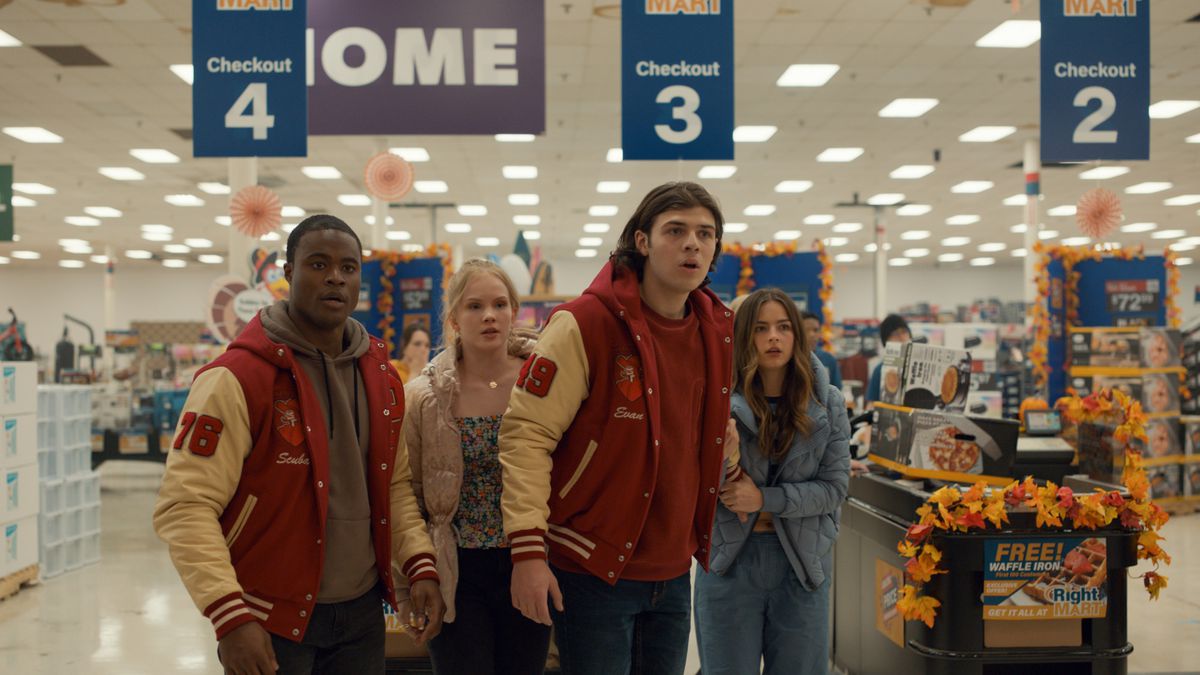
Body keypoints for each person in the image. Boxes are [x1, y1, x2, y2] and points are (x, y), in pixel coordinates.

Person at [153, 214, 445, 675]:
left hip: (362, 617)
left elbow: (395, 485)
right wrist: (228, 616)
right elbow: (186, 506)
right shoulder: (236, 380)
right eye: (318, 264)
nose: (335, 277)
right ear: (287, 274)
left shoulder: (384, 379)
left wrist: (419, 562)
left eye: (349, 268)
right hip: (266, 617)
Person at [498, 182, 742, 675]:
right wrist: (527, 552)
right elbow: (526, 436)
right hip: (592, 566)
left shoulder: (717, 330)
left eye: (705, 233)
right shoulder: (584, 324)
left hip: (673, 570)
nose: (692, 243)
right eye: (676, 231)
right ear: (642, 241)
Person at [403, 259, 552, 674]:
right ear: (453, 319)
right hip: (456, 568)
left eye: (500, 304)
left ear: (514, 312)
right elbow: (408, 493)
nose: (489, 315)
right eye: (474, 306)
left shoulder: (542, 382)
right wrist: (416, 572)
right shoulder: (425, 396)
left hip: (530, 560)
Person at [694, 288, 851, 675]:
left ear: (797, 333)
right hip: (729, 560)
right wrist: (716, 456)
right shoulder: (713, 398)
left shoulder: (827, 402)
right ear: (745, 336)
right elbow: (691, 487)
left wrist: (762, 498)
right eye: (761, 328)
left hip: (802, 562)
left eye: (783, 327)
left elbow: (834, 490)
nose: (773, 338)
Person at [865, 313, 912, 404]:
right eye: (895, 334)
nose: (902, 337)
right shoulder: (880, 370)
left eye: (904, 331)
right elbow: (871, 404)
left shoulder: (916, 364)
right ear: (886, 341)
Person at [801, 310, 843, 391]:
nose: (812, 334)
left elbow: (837, 391)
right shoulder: (789, 358)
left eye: (815, 330)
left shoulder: (829, 360)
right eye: (806, 330)